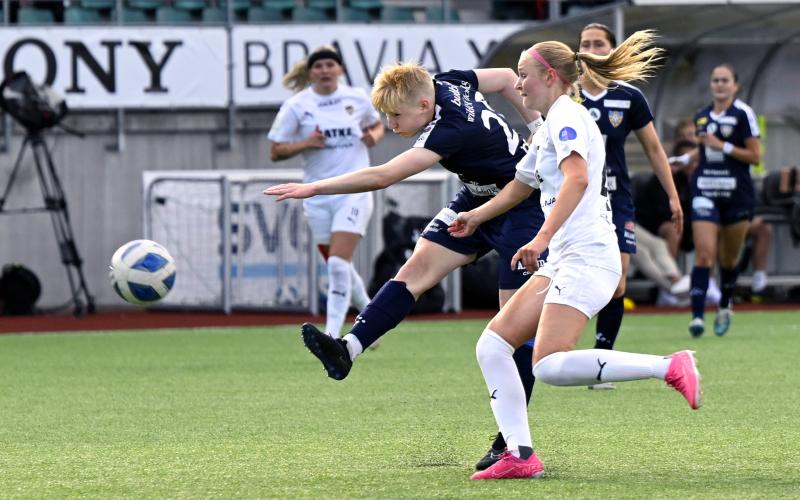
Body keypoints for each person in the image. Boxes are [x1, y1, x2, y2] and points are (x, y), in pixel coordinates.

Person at [447, 30, 702, 481]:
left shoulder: (568, 116)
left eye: (524, 76)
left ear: (548, 76)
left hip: (585, 256)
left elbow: (578, 179)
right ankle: (520, 455)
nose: (519, 85)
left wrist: (540, 238)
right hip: (567, 258)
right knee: (493, 346)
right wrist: (475, 217)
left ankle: (668, 366)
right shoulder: (549, 125)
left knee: (546, 366)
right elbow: (520, 186)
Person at [266, 62, 547, 465]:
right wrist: (534, 123)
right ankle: (348, 348)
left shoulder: (449, 129)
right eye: (386, 116)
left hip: (522, 207)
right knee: (413, 272)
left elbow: (383, 176)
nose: (391, 124)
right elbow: (504, 77)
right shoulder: (446, 81)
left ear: (423, 102)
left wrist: (314, 187)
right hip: (476, 198)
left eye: (396, 116)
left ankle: (511, 439)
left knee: (511, 331)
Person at [576, 23, 683, 389]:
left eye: (598, 43)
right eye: (585, 43)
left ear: (611, 49)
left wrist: (672, 194)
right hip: (572, 201)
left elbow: (654, 149)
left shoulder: (629, 97)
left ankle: (601, 359)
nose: (591, 49)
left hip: (616, 200)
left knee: (617, 283)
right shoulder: (566, 95)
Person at [267, 46, 384, 340]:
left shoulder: (356, 98)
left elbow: (376, 124)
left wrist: (374, 136)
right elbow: (276, 151)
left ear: (340, 69)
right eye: (318, 66)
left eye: (330, 64)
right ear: (310, 72)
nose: (325, 70)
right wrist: (306, 143)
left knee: (336, 263)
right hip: (316, 196)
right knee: (339, 265)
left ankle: (332, 336)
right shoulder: (297, 105)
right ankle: (374, 320)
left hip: (354, 191)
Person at [685, 63, 760, 337]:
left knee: (728, 260)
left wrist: (723, 146)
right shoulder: (702, 116)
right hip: (705, 189)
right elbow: (703, 151)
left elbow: (755, 156)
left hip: (736, 193)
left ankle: (725, 303)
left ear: (735, 85)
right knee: (704, 253)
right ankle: (696, 317)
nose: (719, 84)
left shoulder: (744, 114)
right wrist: (685, 159)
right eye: (715, 80)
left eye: (725, 80)